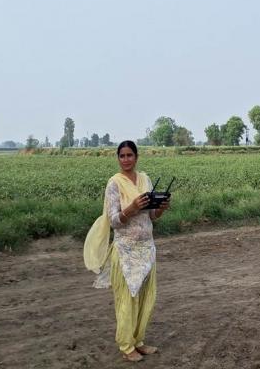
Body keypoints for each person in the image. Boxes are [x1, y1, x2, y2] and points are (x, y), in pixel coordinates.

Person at [83, 140, 170, 362]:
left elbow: (151, 216)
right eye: (122, 156)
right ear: (118, 158)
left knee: (145, 298)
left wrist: (159, 209)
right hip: (125, 251)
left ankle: (138, 341)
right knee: (127, 299)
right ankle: (125, 345)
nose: (126, 159)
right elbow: (113, 221)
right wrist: (131, 208)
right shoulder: (114, 184)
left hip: (147, 247)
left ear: (137, 157)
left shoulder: (145, 179)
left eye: (130, 155)